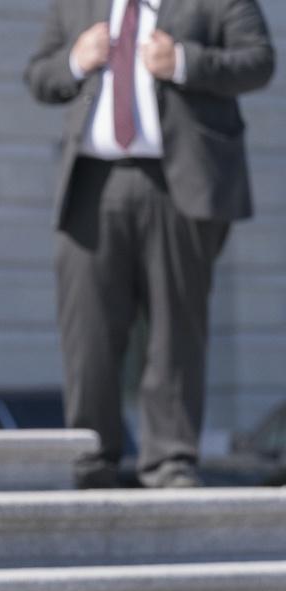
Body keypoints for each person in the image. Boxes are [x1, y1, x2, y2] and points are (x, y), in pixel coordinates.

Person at [25, 0, 274, 489]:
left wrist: (182, 61)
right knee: (88, 332)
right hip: (93, 183)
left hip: (180, 181)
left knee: (175, 327)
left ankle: (169, 461)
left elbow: (259, 61)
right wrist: (76, 60)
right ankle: (91, 459)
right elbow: (39, 76)